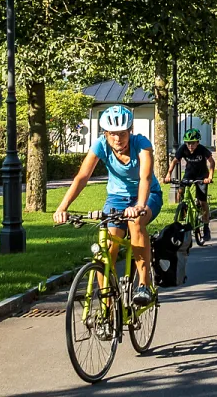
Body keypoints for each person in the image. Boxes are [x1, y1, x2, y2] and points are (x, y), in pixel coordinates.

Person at [55, 104, 160, 307]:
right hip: (116, 198)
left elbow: (145, 177)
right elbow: (82, 177)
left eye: (122, 133)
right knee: (106, 248)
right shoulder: (100, 146)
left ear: (130, 131)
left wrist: (139, 205)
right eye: (112, 134)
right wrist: (62, 207)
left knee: (135, 222)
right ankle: (107, 307)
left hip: (147, 195)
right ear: (105, 133)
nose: (117, 139)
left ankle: (144, 285)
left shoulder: (142, 144)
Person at [167, 127, 216, 243]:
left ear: (198, 142)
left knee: (203, 202)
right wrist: (168, 174)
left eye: (193, 143)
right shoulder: (183, 149)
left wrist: (210, 177)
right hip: (189, 174)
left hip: (202, 176)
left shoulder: (202, 150)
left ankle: (205, 226)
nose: (190, 146)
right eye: (188, 143)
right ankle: (183, 208)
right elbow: (174, 161)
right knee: (180, 190)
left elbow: (212, 162)